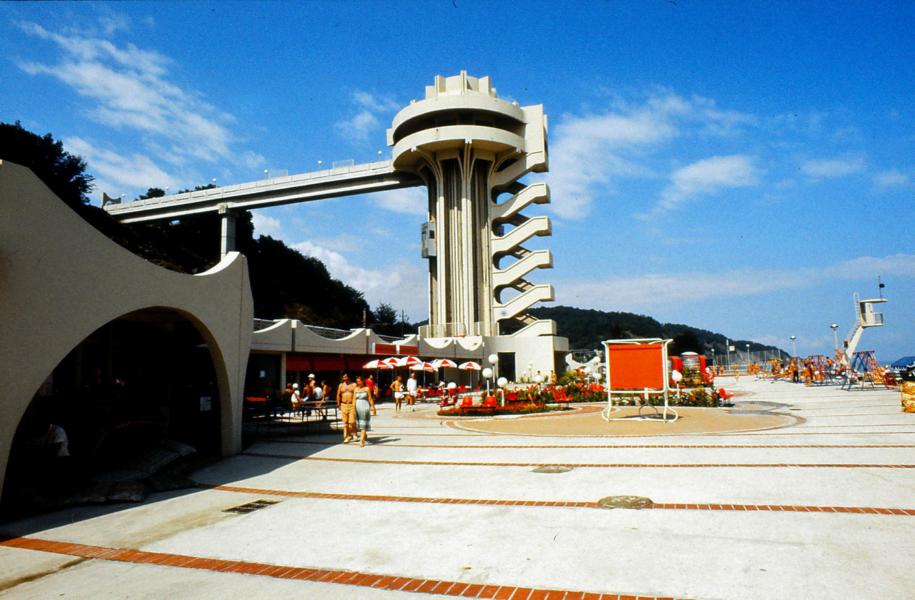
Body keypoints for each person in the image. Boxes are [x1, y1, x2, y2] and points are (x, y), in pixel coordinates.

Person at [353, 375, 376, 447]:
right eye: (357, 381)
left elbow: (370, 398)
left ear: (363, 381)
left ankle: (362, 440)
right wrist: (353, 409)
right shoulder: (355, 389)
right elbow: (354, 399)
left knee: (363, 423)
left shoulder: (367, 389)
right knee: (359, 423)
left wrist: (373, 407)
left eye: (359, 381)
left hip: (365, 406)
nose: (358, 382)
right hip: (357, 406)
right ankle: (364, 434)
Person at [336, 373, 357, 443]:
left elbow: (355, 395)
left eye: (345, 376)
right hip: (343, 405)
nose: (344, 378)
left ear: (348, 377)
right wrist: (338, 404)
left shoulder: (353, 385)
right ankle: (347, 436)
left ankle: (354, 433)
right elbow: (338, 394)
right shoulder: (341, 385)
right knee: (345, 423)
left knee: (352, 422)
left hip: (351, 405)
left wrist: (355, 404)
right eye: (343, 377)